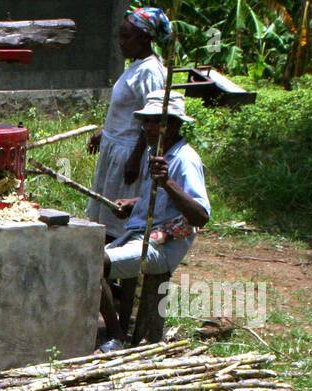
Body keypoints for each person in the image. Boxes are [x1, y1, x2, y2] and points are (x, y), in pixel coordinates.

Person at [99, 90, 210, 350]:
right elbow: (158, 200)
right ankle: (123, 322)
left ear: (174, 125)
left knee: (93, 263)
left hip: (162, 244)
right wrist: (133, 204)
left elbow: (201, 216)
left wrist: (167, 181)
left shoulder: (185, 160)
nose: (148, 127)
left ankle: (117, 338)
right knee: (86, 257)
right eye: (146, 121)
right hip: (138, 234)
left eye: (156, 121)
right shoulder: (157, 152)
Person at [85, 7, 170, 239]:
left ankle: (117, 255)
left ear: (144, 38)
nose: (120, 42)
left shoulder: (149, 71)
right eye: (120, 36)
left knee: (118, 218)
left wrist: (135, 157)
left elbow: (152, 117)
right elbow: (127, 111)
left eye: (126, 37)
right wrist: (105, 134)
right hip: (116, 149)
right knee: (105, 214)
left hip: (129, 153)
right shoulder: (136, 66)